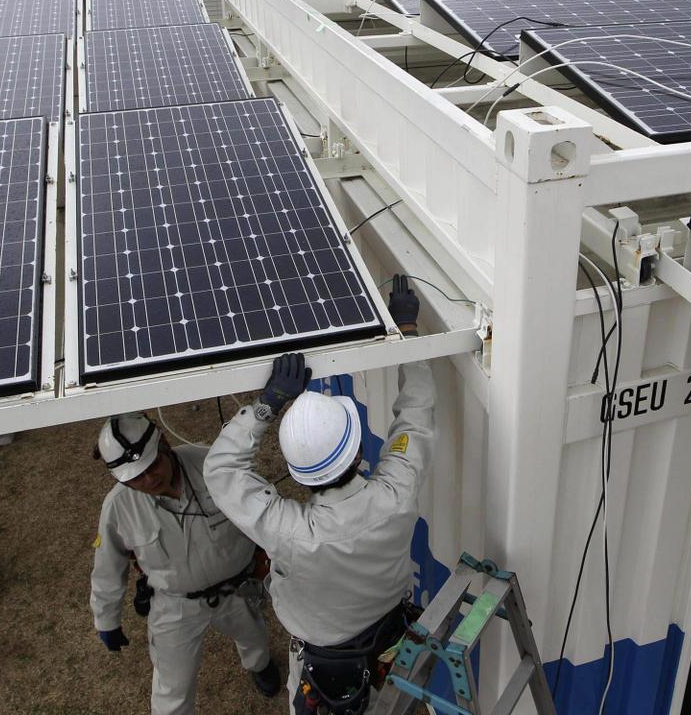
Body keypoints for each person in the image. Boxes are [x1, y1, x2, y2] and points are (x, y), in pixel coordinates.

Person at [204, 276, 435, 714]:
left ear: (300, 474)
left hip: (321, 669)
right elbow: (417, 415)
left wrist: (267, 405)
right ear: (356, 450)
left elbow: (221, 470)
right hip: (391, 652)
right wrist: (407, 332)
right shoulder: (396, 494)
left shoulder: (290, 532)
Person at [90, 413, 282, 714]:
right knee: (172, 689)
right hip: (175, 606)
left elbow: (265, 514)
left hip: (238, 588)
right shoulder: (117, 507)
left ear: (164, 444)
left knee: (253, 636)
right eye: (136, 478)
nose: (149, 480)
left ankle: (260, 665)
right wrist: (106, 620)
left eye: (152, 466)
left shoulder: (214, 465)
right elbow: (108, 567)